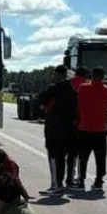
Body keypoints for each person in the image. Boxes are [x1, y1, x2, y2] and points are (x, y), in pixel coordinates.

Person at [37, 65, 77, 196]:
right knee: (61, 158)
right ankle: (58, 183)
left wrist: (44, 109)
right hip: (68, 129)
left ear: (59, 75)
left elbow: (40, 99)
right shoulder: (72, 89)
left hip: (54, 129)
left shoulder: (54, 88)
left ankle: (56, 185)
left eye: (54, 74)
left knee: (54, 158)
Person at [76, 66, 107, 191]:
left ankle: (81, 180)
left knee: (83, 157)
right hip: (101, 129)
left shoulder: (83, 88)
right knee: (100, 157)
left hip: (85, 127)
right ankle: (98, 180)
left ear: (92, 76)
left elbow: (79, 104)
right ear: (103, 77)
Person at [66, 67, 88, 188]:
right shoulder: (88, 85)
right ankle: (81, 178)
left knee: (71, 154)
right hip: (84, 125)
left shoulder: (69, 84)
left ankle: (69, 177)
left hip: (70, 124)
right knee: (82, 155)